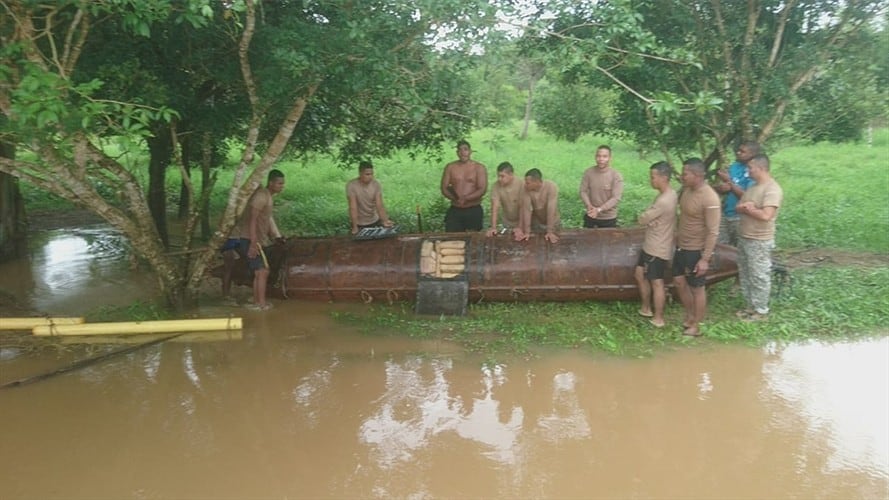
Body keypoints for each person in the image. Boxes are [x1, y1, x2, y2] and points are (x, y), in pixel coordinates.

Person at [673, 158, 721, 337]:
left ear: (698, 175)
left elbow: (713, 231)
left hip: (696, 250)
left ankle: (697, 325)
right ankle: (690, 315)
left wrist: (705, 259)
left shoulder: (710, 198)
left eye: (685, 173)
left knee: (697, 288)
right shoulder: (686, 190)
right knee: (678, 282)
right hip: (681, 246)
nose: (682, 176)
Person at [226, 169, 285, 311]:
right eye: (279, 183)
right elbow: (252, 219)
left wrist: (275, 236)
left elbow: (266, 220)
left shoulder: (267, 196)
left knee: (260, 271)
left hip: (256, 238)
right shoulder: (261, 197)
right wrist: (253, 242)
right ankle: (260, 304)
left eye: (283, 183)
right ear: (270, 183)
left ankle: (257, 300)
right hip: (249, 238)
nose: (282, 186)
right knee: (262, 271)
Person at [735, 153, 783, 321]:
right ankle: (750, 306)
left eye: (751, 168)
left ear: (761, 168)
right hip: (745, 236)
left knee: (759, 275)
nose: (748, 171)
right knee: (746, 273)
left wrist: (750, 209)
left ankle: (761, 311)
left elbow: (766, 215)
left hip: (759, 240)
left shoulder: (772, 189)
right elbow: (738, 207)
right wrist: (746, 207)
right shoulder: (752, 187)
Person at [634, 161, 678, 328]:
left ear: (664, 178)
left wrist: (645, 219)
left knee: (657, 281)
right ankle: (646, 308)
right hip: (650, 244)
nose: (651, 180)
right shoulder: (670, 194)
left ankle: (659, 317)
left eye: (653, 177)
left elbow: (643, 218)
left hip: (657, 247)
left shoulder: (664, 200)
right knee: (639, 274)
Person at [714, 141, 760, 245]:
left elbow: (747, 197)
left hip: (741, 217)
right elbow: (728, 187)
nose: (738, 153)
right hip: (726, 213)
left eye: (742, 152)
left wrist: (729, 181)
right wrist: (722, 188)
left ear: (752, 155)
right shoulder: (734, 166)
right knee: (721, 247)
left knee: (739, 250)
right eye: (738, 150)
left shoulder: (754, 172)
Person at [441, 140, 487, 232]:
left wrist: (466, 198)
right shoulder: (450, 167)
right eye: (460, 150)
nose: (463, 153)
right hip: (455, 208)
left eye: (465, 149)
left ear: (470, 151)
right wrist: (455, 199)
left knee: (473, 239)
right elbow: (444, 188)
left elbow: (482, 189)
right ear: (457, 153)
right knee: (452, 239)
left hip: (473, 208)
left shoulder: (479, 168)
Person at [580, 145, 624, 228]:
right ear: (595, 157)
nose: (601, 159)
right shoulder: (588, 172)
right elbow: (583, 191)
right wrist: (588, 205)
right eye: (598, 156)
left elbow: (616, 198)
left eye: (605, 156)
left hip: (608, 218)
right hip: (590, 215)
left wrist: (599, 209)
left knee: (607, 241)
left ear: (610, 158)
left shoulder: (616, 175)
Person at [346, 161, 394, 235]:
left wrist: (385, 220)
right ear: (360, 173)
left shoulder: (376, 184)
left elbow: (379, 205)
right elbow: (353, 207)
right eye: (367, 174)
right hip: (359, 223)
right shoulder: (352, 185)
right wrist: (355, 227)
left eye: (372, 174)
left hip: (374, 220)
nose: (370, 177)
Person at [514, 168, 561, 244]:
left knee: (553, 243)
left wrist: (550, 231)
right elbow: (526, 210)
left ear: (536, 182)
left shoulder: (551, 187)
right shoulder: (526, 189)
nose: (525, 184)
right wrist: (527, 232)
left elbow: (551, 209)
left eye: (528, 183)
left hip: (554, 222)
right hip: (537, 222)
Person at [485, 161, 523, 238]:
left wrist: (520, 227)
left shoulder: (521, 184)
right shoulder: (496, 186)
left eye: (502, 176)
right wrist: (493, 227)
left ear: (511, 175)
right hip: (507, 222)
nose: (499, 179)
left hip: (522, 221)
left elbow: (524, 207)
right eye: (498, 176)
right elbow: (495, 207)